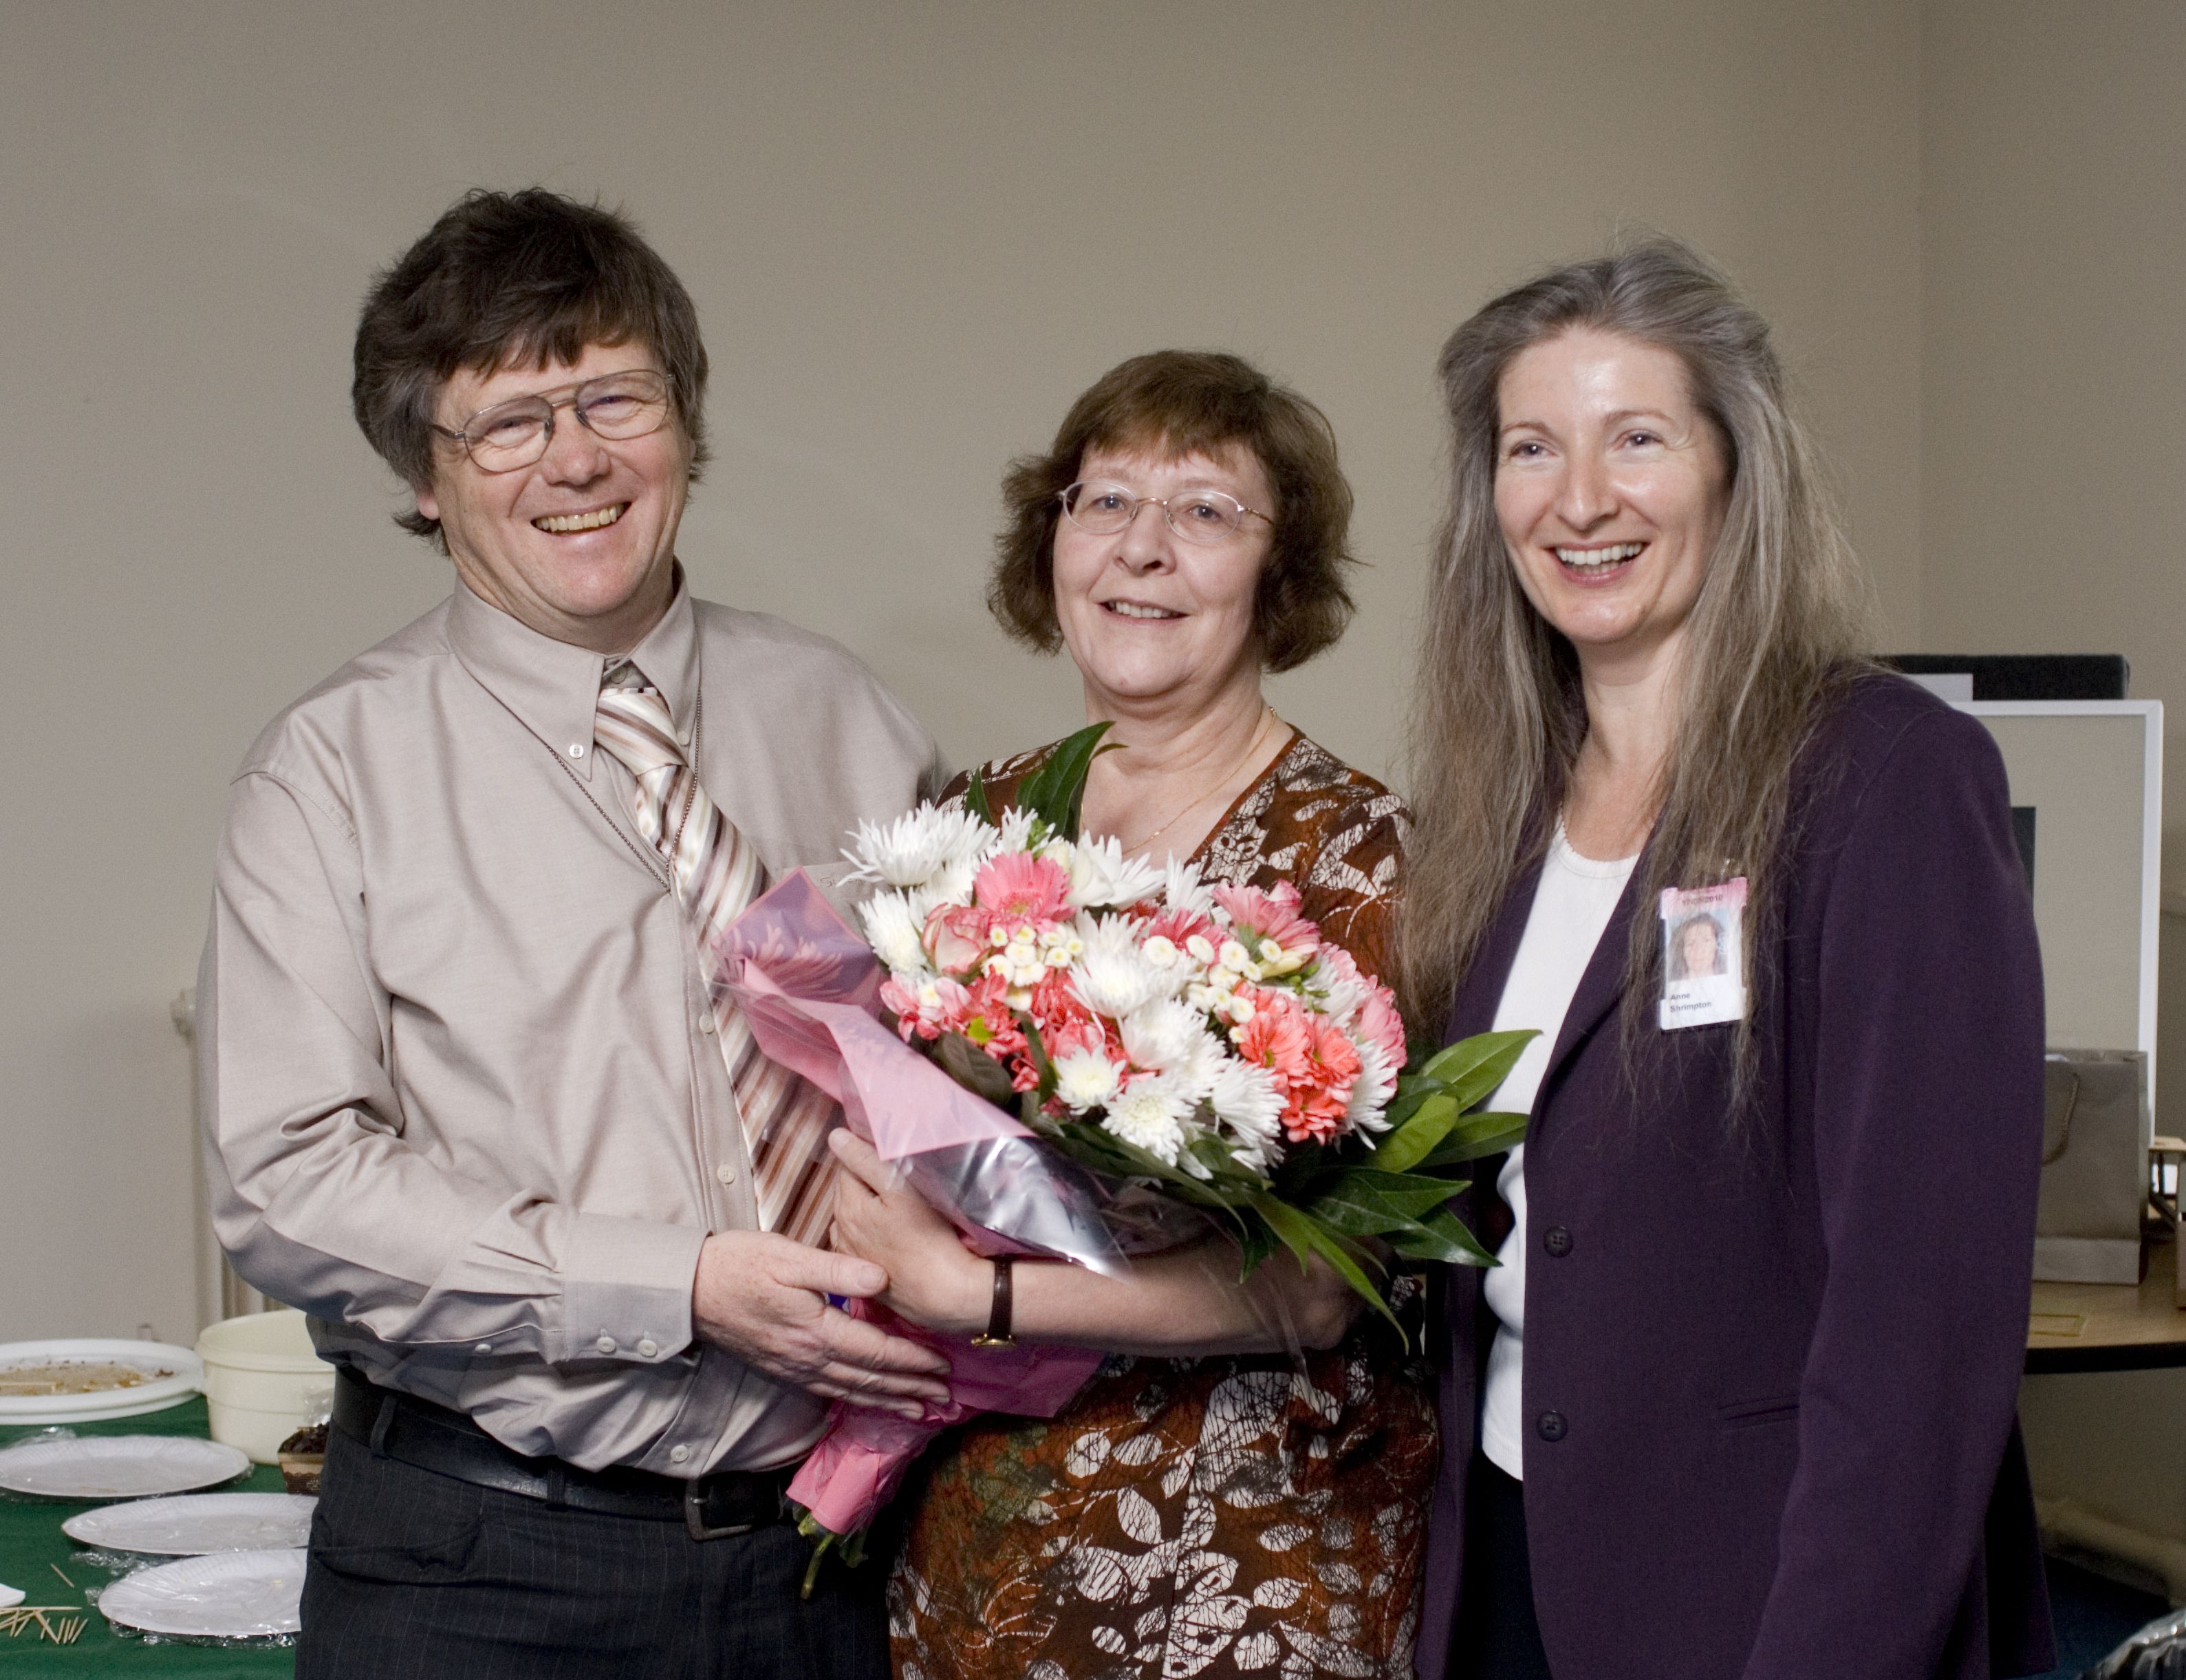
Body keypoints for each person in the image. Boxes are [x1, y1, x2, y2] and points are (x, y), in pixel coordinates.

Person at [197, 188, 956, 1680]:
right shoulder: (329, 771)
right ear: (425, 477)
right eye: (509, 422)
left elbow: (967, 1088)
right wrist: (676, 1283)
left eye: (615, 397)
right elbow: (286, 1182)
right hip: (481, 1573)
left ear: (685, 421)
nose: (576, 459)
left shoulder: (855, 723)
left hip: (837, 1557)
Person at [1400, 240, 2053, 1680]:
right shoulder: (1495, 818)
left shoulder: (1884, 779)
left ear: (1732, 470)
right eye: (1530, 447)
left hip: (1763, 1596)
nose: (1579, 500)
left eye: (1635, 439)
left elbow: (1920, 1329)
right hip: (1512, 1566)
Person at [825, 351, 1434, 1679]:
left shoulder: (1362, 862)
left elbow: (1328, 1285)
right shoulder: (974, 823)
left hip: (1243, 1551)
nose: (1141, 548)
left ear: (1279, 573)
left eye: (1206, 510)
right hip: (984, 1540)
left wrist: (975, 1292)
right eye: (1104, 500)